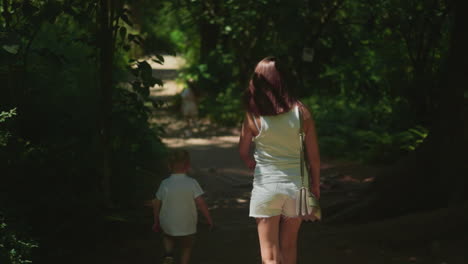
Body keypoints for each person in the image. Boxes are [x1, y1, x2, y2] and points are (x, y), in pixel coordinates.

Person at [238, 56, 320, 264]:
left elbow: (243, 150)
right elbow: (314, 158)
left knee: (270, 254)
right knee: (290, 246)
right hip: (297, 187)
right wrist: (315, 185)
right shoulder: (302, 112)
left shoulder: (252, 116)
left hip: (267, 186)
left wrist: (250, 163)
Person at [152, 149, 213, 264]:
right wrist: (209, 219)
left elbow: (156, 202)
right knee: (187, 247)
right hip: (187, 224)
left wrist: (156, 221)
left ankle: (169, 253)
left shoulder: (165, 183)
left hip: (168, 223)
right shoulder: (192, 183)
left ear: (169, 166)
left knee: (167, 236)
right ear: (188, 166)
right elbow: (201, 203)